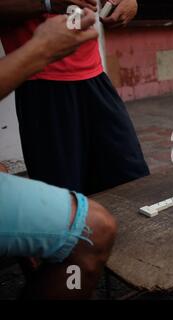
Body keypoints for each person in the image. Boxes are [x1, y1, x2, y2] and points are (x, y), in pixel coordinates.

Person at [0, 10, 117, 299]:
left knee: (129, 181)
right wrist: (39, 50)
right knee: (88, 225)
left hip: (94, 79)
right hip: (43, 83)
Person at [0, 0, 149, 195]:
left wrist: (128, 3)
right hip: (41, 85)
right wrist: (48, 3)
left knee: (133, 184)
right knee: (63, 200)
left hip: (95, 78)